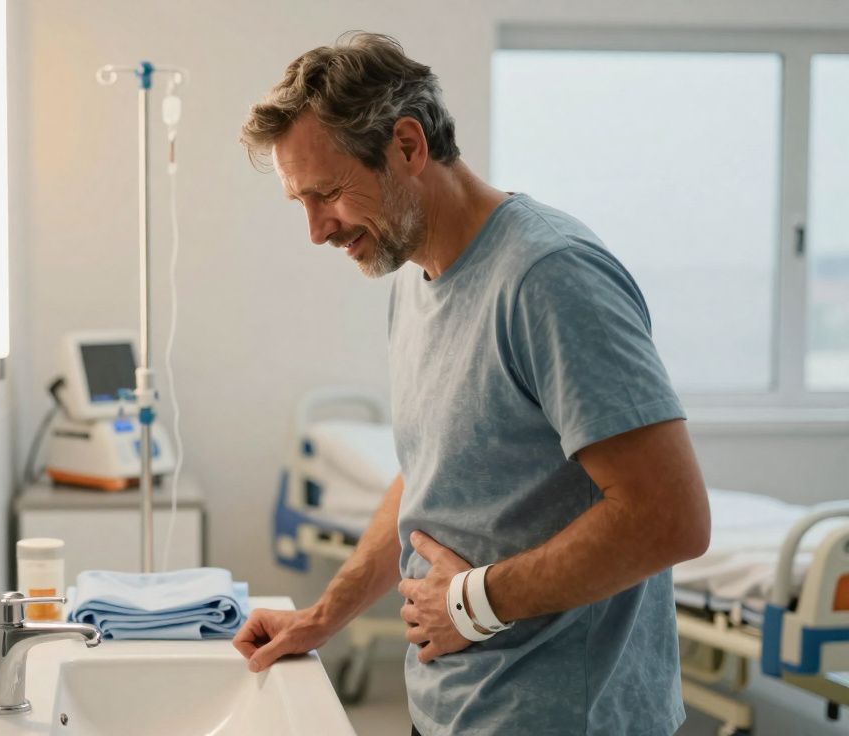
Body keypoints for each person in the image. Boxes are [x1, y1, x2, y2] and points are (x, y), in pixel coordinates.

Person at [231, 32, 711, 736]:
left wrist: (472, 602)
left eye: (328, 194)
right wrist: (322, 617)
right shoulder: (415, 281)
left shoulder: (548, 276)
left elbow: (670, 516)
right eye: (301, 201)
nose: (315, 230)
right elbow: (431, 476)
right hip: (453, 707)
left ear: (407, 146)